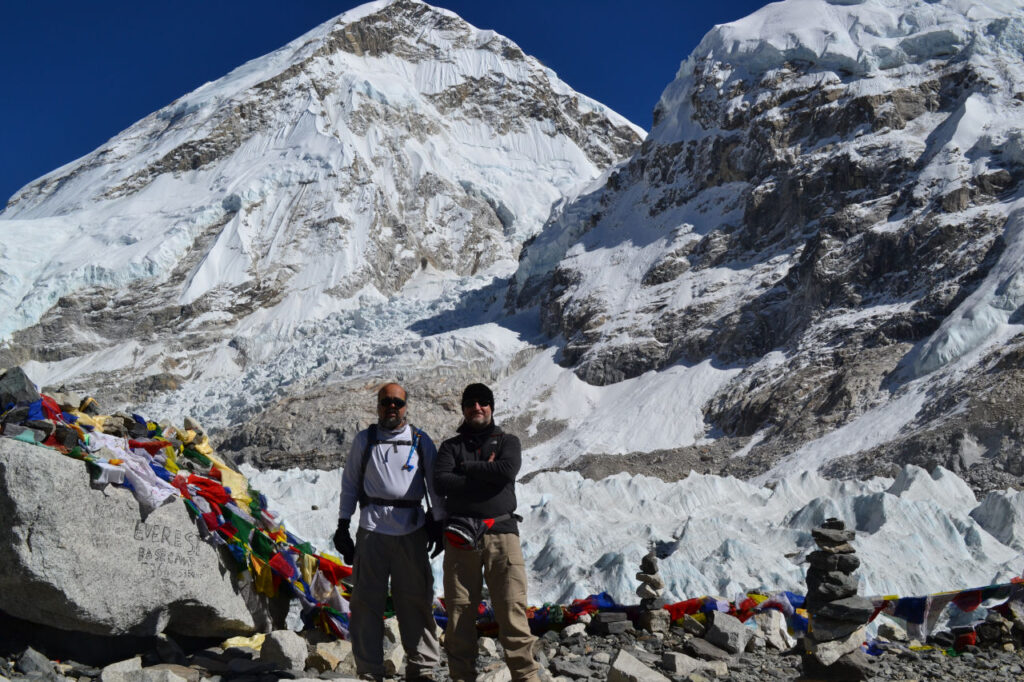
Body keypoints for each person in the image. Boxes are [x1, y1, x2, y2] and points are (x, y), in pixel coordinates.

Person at [334, 382, 444, 682]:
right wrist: (343, 524)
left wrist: (438, 521)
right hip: (372, 531)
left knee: (417, 599)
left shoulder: (421, 441)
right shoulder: (365, 440)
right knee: (366, 601)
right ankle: (370, 670)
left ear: (406, 406)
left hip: (412, 530)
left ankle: (421, 669)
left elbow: (433, 486)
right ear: (378, 406)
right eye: (386, 402)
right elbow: (350, 485)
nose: (391, 407)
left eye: (397, 402)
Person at [433, 383, 539, 682]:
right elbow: (441, 482)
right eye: (470, 403)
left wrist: (464, 468)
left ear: (491, 406)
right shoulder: (449, 447)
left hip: (502, 535)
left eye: (482, 402)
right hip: (460, 538)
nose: (476, 407)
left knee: (512, 613)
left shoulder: (508, 441)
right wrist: (483, 473)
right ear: (463, 408)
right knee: (458, 617)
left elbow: (506, 471)